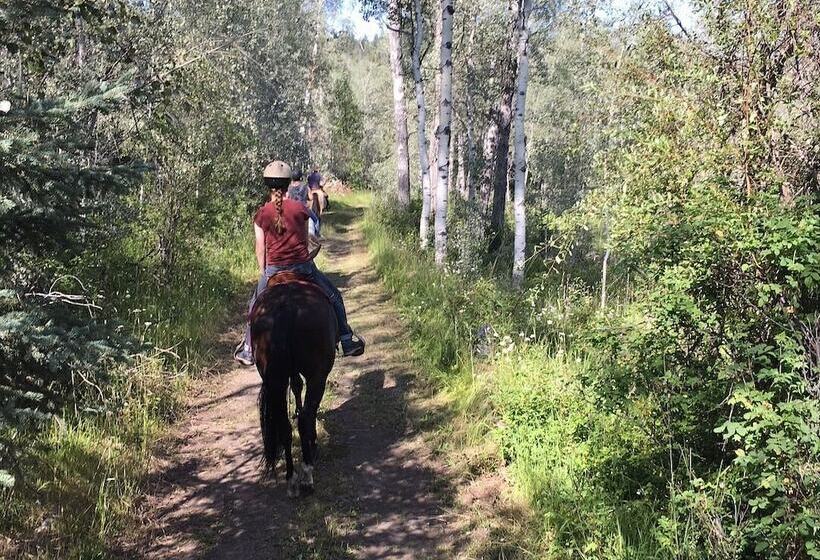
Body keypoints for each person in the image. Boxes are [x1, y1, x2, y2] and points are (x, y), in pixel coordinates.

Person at [234, 160, 365, 366]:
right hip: (303, 268)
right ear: (288, 183)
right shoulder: (299, 208)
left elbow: (260, 249)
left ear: (267, 185)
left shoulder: (261, 214)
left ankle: (249, 349)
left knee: (254, 305)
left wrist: (264, 272)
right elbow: (305, 240)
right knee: (334, 297)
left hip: (273, 270)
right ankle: (347, 340)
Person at [288, 168, 320, 236]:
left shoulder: (289, 187)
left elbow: (287, 197)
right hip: (303, 208)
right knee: (316, 220)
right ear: (300, 177)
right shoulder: (305, 186)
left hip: (291, 209)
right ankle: (316, 236)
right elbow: (311, 197)